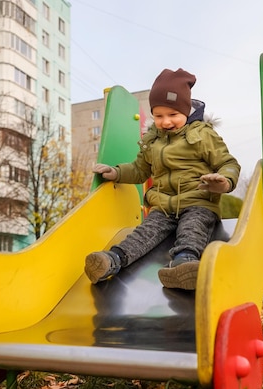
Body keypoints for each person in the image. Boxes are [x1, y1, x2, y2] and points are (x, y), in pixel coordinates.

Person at [84, 68, 240, 290]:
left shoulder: (203, 135)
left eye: (173, 115)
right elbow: (140, 170)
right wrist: (117, 172)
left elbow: (228, 163)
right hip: (163, 206)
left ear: (186, 111)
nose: (166, 122)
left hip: (197, 201)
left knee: (192, 230)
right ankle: (111, 260)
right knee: (144, 233)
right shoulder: (152, 140)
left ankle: (184, 264)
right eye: (158, 116)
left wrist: (224, 180)